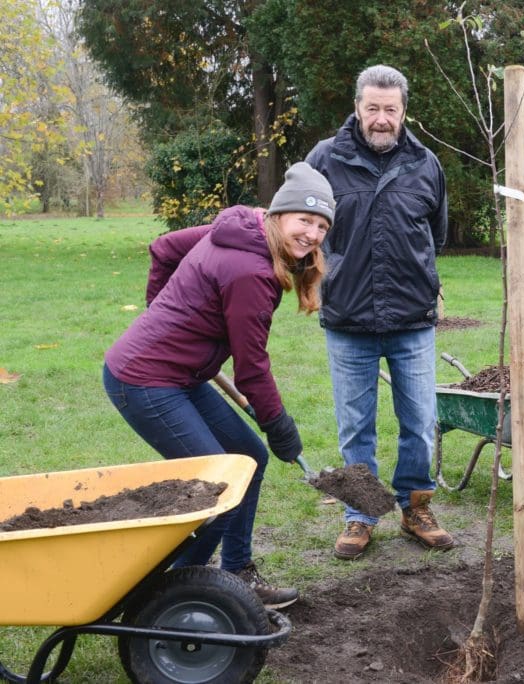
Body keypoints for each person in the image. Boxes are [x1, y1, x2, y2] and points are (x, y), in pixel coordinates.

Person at [103, 162, 337, 609]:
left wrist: (168, 312)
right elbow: (252, 369)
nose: (312, 234)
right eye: (304, 220)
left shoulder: (240, 228)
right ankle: (162, 597)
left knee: (248, 458)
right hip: (144, 380)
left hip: (180, 375)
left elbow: (164, 247)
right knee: (218, 489)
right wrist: (279, 425)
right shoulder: (252, 272)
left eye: (322, 226)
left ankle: (236, 571)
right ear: (278, 215)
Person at [305, 64, 452, 561]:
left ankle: (415, 507)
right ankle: (361, 514)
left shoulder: (426, 163)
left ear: (404, 110)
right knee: (355, 427)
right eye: (373, 108)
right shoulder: (325, 159)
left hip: (412, 318)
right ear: (357, 108)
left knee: (420, 421)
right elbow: (300, 228)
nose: (382, 118)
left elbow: (436, 234)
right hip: (348, 318)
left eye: (391, 109)